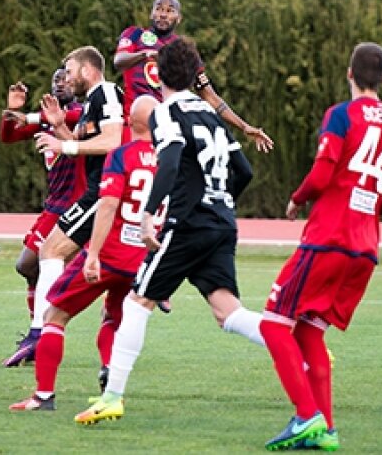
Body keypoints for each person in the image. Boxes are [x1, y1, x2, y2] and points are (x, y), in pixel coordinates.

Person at [76, 35, 263, 426]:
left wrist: (148, 215)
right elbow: (243, 171)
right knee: (226, 310)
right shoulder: (210, 113)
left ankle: (112, 397)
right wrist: (221, 204)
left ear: (158, 73)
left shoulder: (167, 111)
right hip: (222, 222)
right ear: (196, 74)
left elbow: (172, 162)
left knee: (136, 302)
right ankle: (292, 342)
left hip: (188, 223)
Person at [257, 42, 382, 451]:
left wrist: (296, 198)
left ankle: (306, 416)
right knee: (309, 333)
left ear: (349, 73)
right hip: (365, 249)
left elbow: (323, 172)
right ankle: (325, 429)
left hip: (328, 239)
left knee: (273, 324)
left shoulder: (342, 115)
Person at [8, 95, 160, 412]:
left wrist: (93, 255)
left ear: (130, 122)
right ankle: (108, 378)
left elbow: (106, 206)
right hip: (140, 260)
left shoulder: (122, 154)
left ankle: (43, 396)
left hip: (110, 254)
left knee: (54, 317)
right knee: (112, 317)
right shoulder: (167, 161)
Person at [2, 46, 126, 367]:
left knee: (53, 254)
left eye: (69, 71)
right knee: (51, 254)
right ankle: (39, 332)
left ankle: (39, 333)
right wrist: (60, 128)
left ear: (87, 70)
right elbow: (86, 146)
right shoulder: (91, 105)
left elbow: (113, 141)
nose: (67, 78)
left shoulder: (107, 93)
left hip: (105, 190)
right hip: (96, 191)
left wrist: (62, 142)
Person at [0, 68, 86, 362]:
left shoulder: (82, 113)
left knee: (38, 263)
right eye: (56, 80)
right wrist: (13, 109)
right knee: (27, 267)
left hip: (76, 204)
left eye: (66, 79)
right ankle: (38, 333)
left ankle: (42, 333)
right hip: (53, 205)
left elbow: (71, 121)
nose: (61, 83)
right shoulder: (45, 120)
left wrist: (36, 118)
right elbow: (8, 137)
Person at [114, 0, 274, 153]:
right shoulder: (135, 35)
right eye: (159, 9)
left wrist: (244, 126)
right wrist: (146, 54)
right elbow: (119, 61)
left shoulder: (183, 50)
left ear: (179, 18)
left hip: (166, 130)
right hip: (134, 126)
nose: (163, 14)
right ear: (151, 13)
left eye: (170, 10)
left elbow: (209, 96)